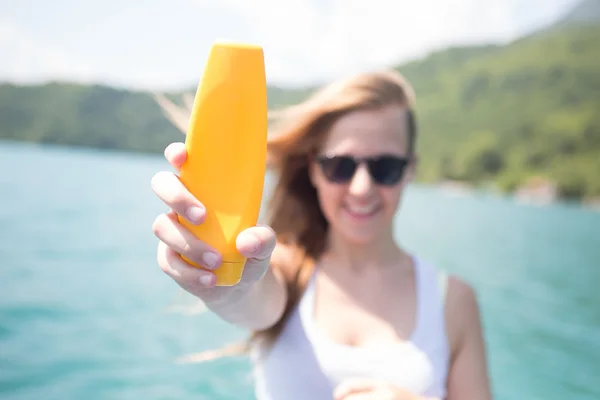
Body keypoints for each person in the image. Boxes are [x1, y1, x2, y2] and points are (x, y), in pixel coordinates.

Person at [151, 70, 492, 400]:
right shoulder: (287, 270)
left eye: (384, 168)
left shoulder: (453, 301)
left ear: (410, 170)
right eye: (340, 166)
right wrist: (221, 279)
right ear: (314, 169)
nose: (362, 188)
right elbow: (247, 295)